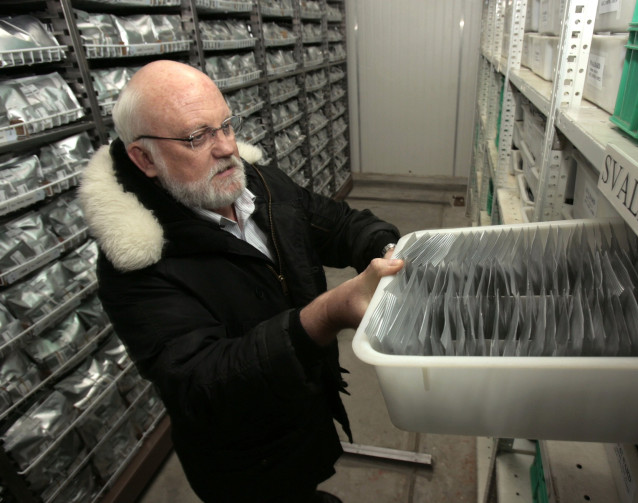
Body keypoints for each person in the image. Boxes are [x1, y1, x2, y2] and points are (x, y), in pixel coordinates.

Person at [78, 60, 403, 503]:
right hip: (246, 462)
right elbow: (204, 383)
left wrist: (388, 251)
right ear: (144, 158)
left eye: (226, 125)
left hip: (302, 408)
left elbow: (339, 224)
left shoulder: (262, 186)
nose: (226, 147)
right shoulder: (135, 263)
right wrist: (326, 315)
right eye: (197, 136)